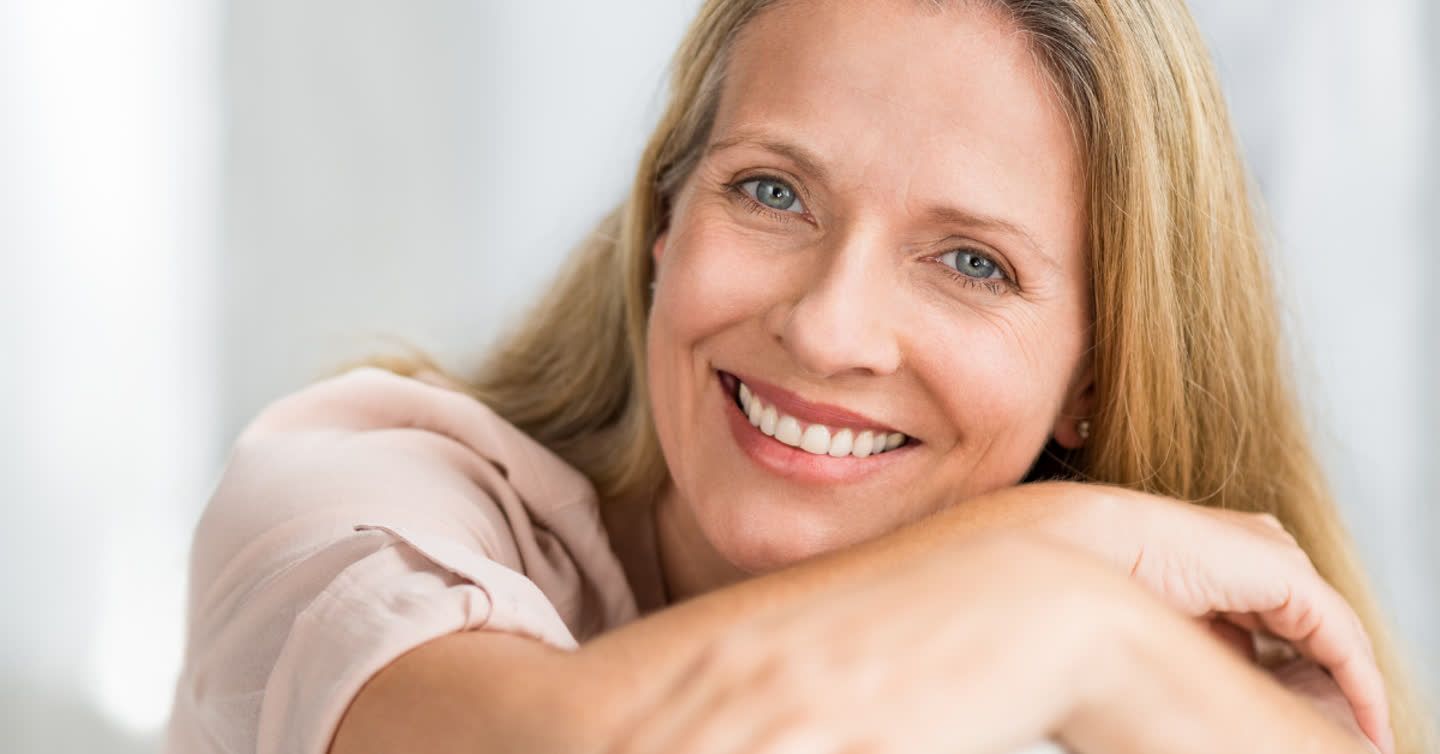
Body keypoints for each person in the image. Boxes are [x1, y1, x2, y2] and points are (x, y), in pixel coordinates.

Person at [164, 0, 1434, 752]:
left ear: (1096, 372)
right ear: (664, 219)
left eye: (972, 264)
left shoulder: (1144, 658)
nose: (830, 330)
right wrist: (1059, 596)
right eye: (771, 191)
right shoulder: (352, 504)